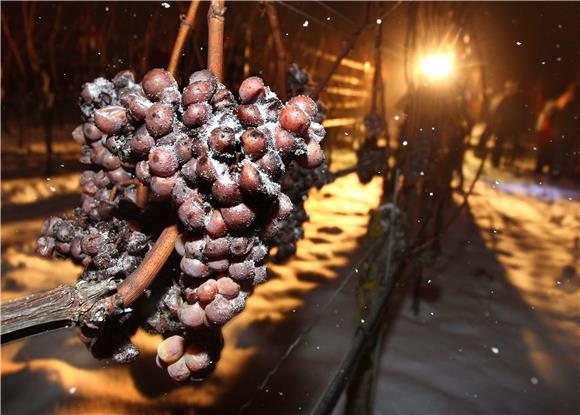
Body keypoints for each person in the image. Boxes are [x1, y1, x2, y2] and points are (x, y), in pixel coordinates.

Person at [490, 80, 529, 168]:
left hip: (513, 126)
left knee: (514, 145)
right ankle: (495, 161)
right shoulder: (503, 98)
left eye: (513, 88)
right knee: (498, 144)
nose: (512, 90)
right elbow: (496, 111)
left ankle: (510, 161)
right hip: (502, 125)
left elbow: (523, 113)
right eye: (510, 88)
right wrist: (495, 123)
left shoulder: (519, 100)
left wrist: (521, 125)